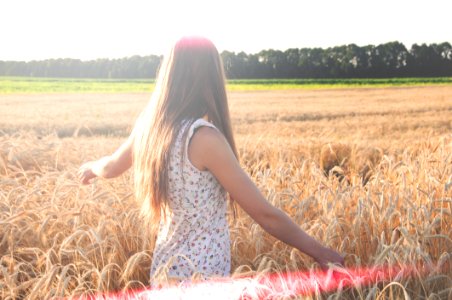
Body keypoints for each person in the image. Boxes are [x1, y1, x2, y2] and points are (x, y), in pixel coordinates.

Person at [78, 36, 344, 284]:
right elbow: (265, 215)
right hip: (202, 278)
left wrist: (92, 167)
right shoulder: (203, 139)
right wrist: (320, 251)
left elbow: (111, 166)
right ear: (210, 78)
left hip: (164, 273)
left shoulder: (150, 127)